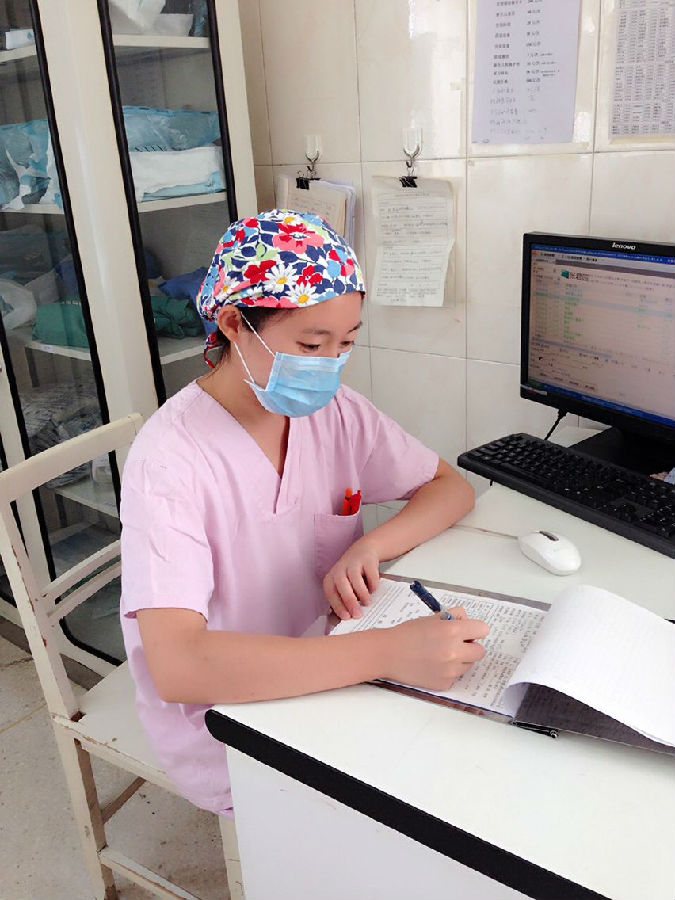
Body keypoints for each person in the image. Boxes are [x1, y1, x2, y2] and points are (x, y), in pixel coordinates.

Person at [120, 209, 489, 817]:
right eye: (311, 345)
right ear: (234, 324)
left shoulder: (335, 413)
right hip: (232, 715)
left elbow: (450, 487)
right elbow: (180, 665)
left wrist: (371, 545)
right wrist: (388, 653)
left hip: (332, 660)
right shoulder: (170, 461)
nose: (329, 365)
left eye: (346, 344)